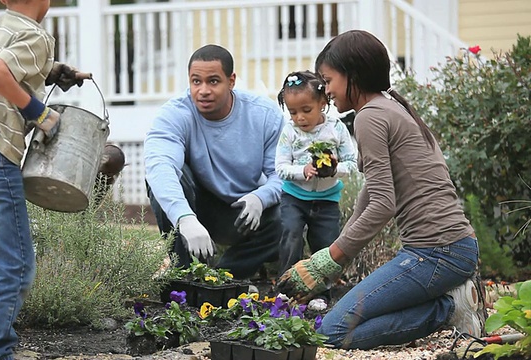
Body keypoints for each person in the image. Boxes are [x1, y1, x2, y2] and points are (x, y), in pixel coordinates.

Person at [276, 30, 487, 350]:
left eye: (328, 80)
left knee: (332, 331)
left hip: (437, 252)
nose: (325, 90)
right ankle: (445, 299)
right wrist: (337, 258)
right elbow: (369, 195)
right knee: (346, 316)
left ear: (354, 76)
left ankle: (448, 308)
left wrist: (329, 258)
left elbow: (382, 204)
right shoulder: (386, 107)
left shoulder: (371, 117)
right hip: (449, 248)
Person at [0, 1, 83, 358]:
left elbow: (4, 64)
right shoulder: (38, 35)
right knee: (18, 263)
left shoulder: (1, 23)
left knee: (2, 251)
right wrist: (40, 114)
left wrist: (53, 72)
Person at [145, 44, 285, 280]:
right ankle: (187, 275)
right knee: (167, 177)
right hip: (197, 208)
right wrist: (184, 218)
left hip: (243, 212)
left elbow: (282, 175)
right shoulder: (175, 113)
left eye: (213, 81)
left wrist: (261, 197)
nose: (203, 90)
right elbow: (159, 166)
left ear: (231, 81)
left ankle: (225, 276)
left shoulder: (264, 115)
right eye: (196, 81)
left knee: (290, 211)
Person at [275, 70, 358, 277]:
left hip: (327, 200)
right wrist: (302, 171)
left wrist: (334, 169)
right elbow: (281, 167)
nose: (299, 118)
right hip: (294, 198)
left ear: (322, 102)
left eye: (306, 110)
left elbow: (352, 163)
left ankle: (322, 289)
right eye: (293, 112)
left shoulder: (336, 128)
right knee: (291, 235)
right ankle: (287, 283)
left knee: (325, 243)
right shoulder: (290, 132)